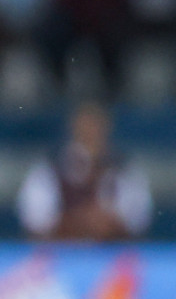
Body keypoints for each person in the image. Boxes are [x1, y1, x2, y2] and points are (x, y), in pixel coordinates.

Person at [17, 102, 153, 241]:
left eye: (96, 126)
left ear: (107, 128)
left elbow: (137, 222)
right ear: (74, 127)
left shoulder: (125, 170)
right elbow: (35, 222)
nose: (91, 132)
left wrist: (106, 222)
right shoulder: (49, 169)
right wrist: (79, 222)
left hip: (111, 254)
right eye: (86, 125)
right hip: (60, 255)